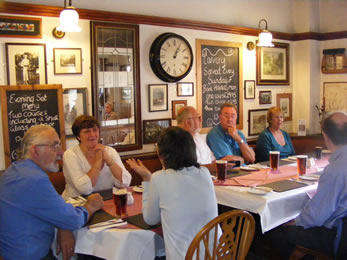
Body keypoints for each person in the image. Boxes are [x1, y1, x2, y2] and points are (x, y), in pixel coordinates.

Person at [0, 125, 104, 260]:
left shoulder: (15, 171)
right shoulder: (34, 180)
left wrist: (63, 226)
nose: (61, 152)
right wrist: (91, 205)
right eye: (54, 146)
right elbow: (72, 220)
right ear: (35, 151)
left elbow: (58, 211)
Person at [126, 126, 219, 260]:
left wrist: (147, 179)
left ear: (162, 154)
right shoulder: (204, 173)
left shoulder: (159, 178)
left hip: (185, 256)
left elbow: (150, 219)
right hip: (218, 254)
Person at [269, 112, 347, 259]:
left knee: (277, 234)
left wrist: (292, 222)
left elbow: (316, 217)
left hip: (338, 236)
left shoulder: (335, 170)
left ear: (325, 136)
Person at [62, 115, 131, 200]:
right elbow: (84, 189)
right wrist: (98, 160)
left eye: (95, 130)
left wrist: (109, 161)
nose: (93, 135)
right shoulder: (70, 155)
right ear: (78, 136)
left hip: (105, 200)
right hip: (77, 204)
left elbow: (125, 182)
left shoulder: (110, 151)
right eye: (87, 131)